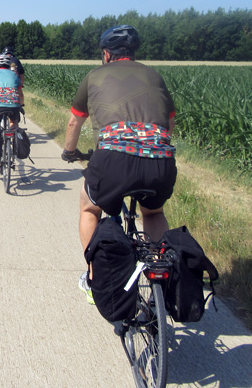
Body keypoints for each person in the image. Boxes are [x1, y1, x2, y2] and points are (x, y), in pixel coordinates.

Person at [61, 25, 177, 305]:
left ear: (106, 54)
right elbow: (170, 123)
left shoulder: (94, 76)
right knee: (152, 213)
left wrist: (70, 151)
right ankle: (160, 271)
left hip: (113, 158)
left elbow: (75, 121)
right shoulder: (154, 75)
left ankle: (93, 277)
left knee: (90, 208)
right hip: (160, 159)